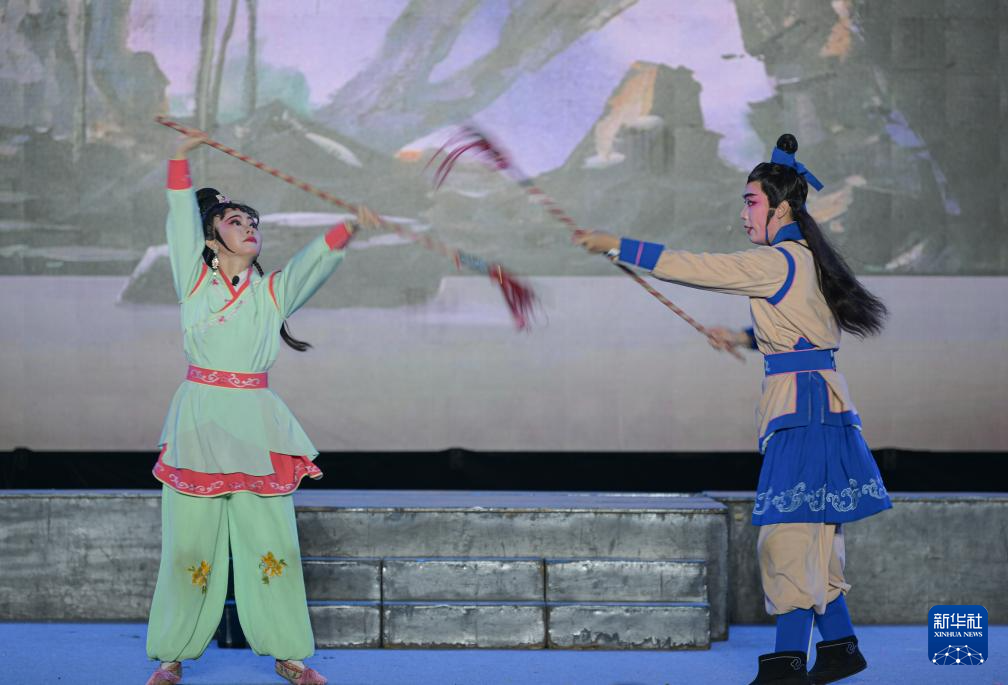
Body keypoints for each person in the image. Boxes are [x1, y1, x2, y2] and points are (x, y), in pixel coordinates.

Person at [575, 134, 891, 685]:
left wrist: (618, 245)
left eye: (751, 202)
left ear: (781, 208)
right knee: (815, 537)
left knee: (788, 538)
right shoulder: (805, 258)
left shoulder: (777, 260)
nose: (744, 213)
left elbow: (699, 267)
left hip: (804, 409)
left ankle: (787, 664)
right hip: (818, 403)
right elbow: (806, 327)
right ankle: (840, 649)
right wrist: (747, 338)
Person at [145, 131, 381, 685]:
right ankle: (172, 655)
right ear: (210, 239)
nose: (250, 228)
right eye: (236, 222)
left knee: (273, 546)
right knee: (188, 546)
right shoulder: (194, 280)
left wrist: (349, 226)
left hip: (255, 422)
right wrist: (179, 157)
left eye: (254, 223)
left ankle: (288, 654)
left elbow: (312, 264)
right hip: (200, 421)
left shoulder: (271, 292)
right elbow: (180, 220)